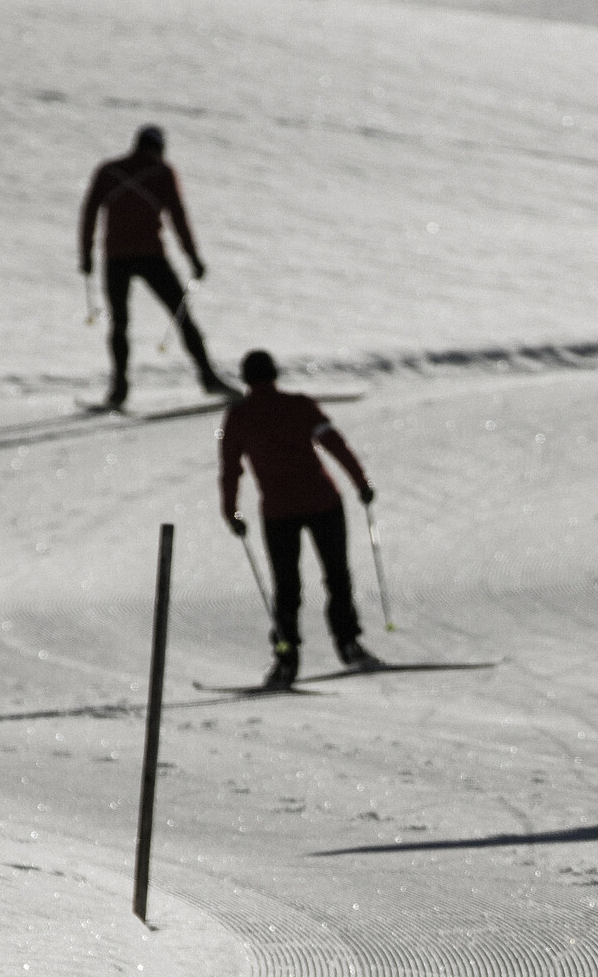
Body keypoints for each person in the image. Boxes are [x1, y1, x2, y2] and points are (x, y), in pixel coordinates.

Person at [220, 350, 375, 689]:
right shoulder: (301, 405)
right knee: (337, 577)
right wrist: (361, 483)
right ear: (275, 374)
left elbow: (231, 469)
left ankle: (286, 661)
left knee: (286, 589)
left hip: (278, 512)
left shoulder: (238, 417)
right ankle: (350, 647)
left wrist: (231, 511)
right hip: (324, 502)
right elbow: (336, 444)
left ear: (245, 380)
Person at [78, 124, 228, 408]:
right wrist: (193, 258)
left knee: (119, 324)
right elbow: (178, 217)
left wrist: (85, 255)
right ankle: (208, 378)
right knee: (181, 314)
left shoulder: (108, 171)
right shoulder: (162, 172)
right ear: (158, 147)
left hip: (115, 257)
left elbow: (89, 212)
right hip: (151, 256)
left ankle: (118, 390)